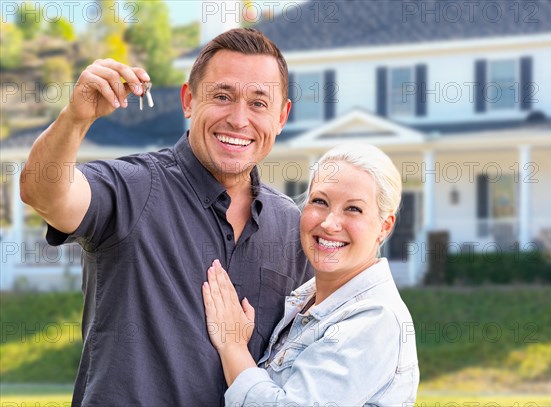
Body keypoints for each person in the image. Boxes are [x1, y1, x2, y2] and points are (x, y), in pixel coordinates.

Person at [20, 28, 312, 406]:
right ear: (188, 101)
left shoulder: (293, 226)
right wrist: (75, 119)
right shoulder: (133, 188)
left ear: (282, 116)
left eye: (259, 103)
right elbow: (43, 192)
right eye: (222, 96)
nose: (239, 119)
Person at [203, 143, 419, 405]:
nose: (329, 223)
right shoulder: (305, 301)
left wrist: (233, 346)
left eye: (353, 209)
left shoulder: (375, 319)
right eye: (320, 201)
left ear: (384, 227)